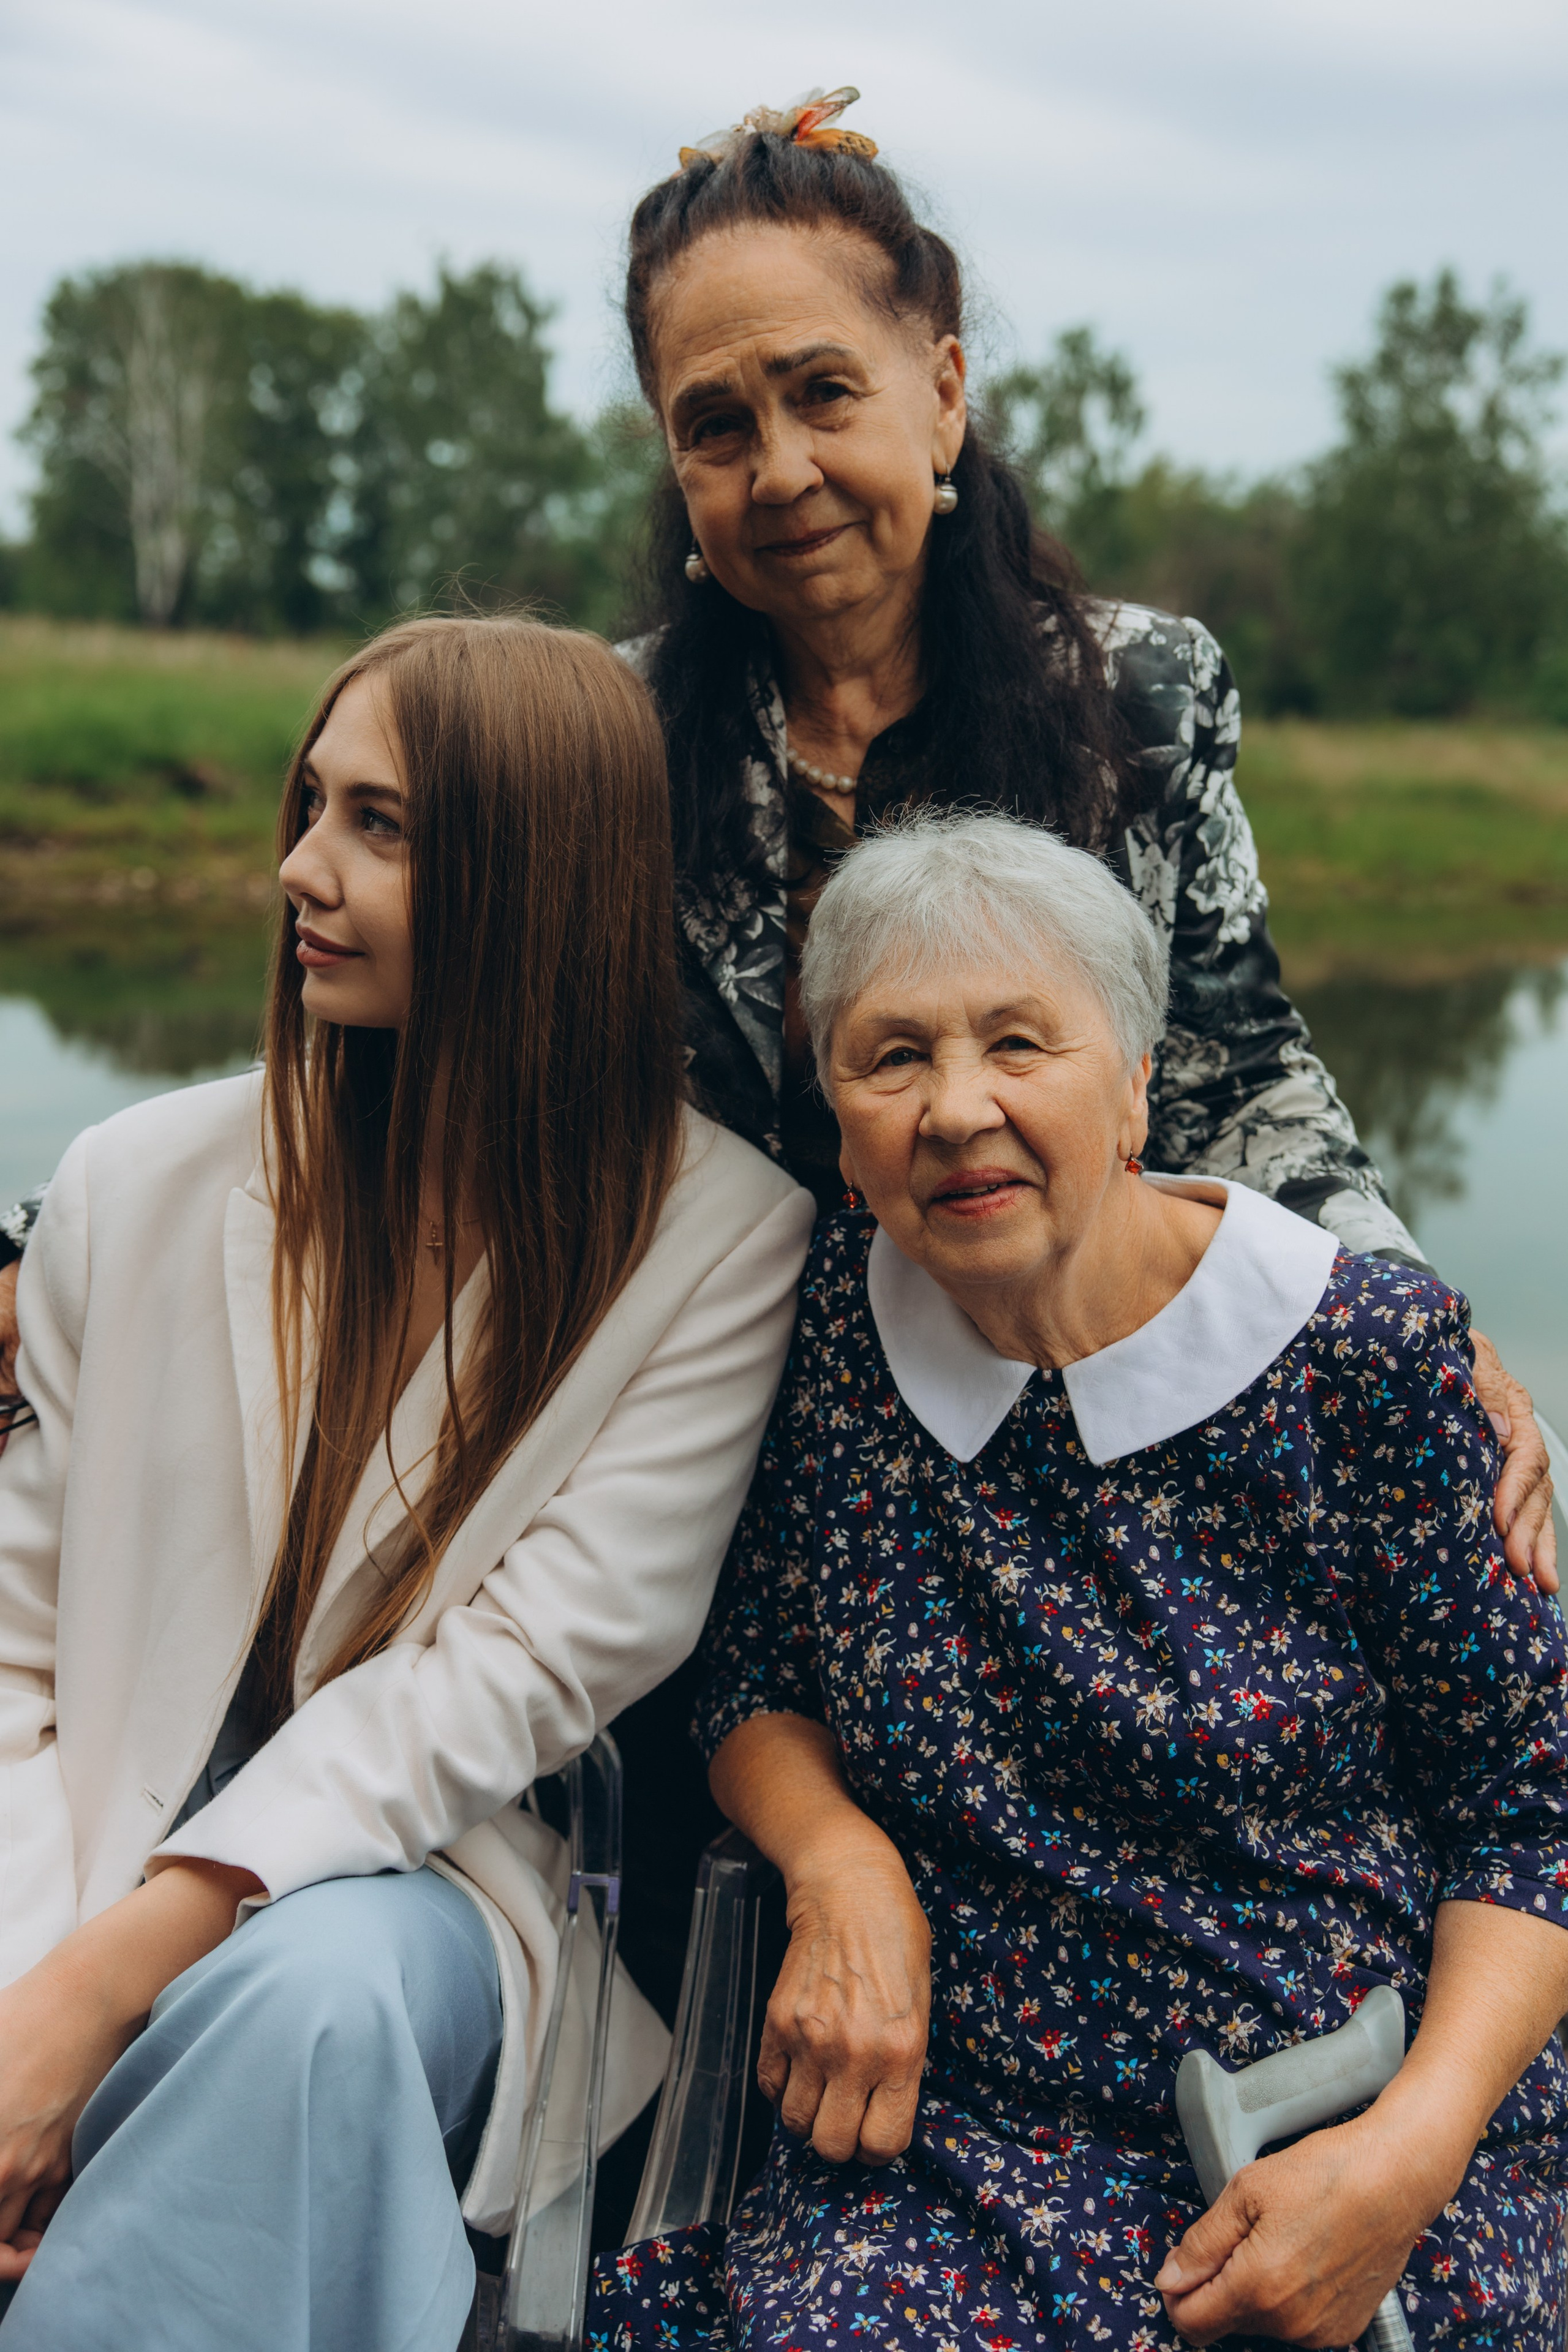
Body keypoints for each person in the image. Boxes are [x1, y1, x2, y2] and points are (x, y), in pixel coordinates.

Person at [0, 88, 1553, 1588]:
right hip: (692, 1427)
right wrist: (43, 1244)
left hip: (1039, 1419)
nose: (781, 472)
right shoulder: (610, 736)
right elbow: (404, 1022)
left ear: (939, 392)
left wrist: (1404, 1309)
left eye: (823, 392)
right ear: (675, 468)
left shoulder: (1138, 694)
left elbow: (1238, 1065)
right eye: (716, 426)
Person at [594, 811, 1568, 2351]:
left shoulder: (1367, 1359)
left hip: (1355, 2103)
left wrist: (1408, 2154)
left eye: (1017, 1044)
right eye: (889, 1056)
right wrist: (838, 1859)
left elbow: (1529, 1818)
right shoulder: (828, 1342)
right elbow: (753, 1674)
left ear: (1133, 1082)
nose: (955, 1108)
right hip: (955, 2131)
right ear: (838, 1125)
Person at [0, 614, 814, 2350]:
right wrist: (32, 2006)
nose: (300, 868)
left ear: (542, 876)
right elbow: (14, 1658)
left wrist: (111, 1984)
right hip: (57, 1844)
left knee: (306, 2009)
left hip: (426, 1883)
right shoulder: (127, 1180)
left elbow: (514, 1677)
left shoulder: (725, 1245)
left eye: (381, 826)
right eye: (311, 805)